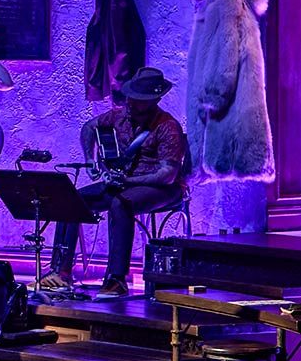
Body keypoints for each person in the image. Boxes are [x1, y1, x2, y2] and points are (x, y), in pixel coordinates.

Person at [39, 67, 189, 299]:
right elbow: (89, 127)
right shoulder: (118, 116)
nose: (130, 101)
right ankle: (60, 273)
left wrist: (128, 180)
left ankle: (116, 279)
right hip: (125, 184)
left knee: (121, 204)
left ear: (154, 100)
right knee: (72, 198)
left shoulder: (168, 126)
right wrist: (91, 161)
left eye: (137, 98)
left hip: (163, 189)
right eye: (131, 95)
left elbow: (167, 175)